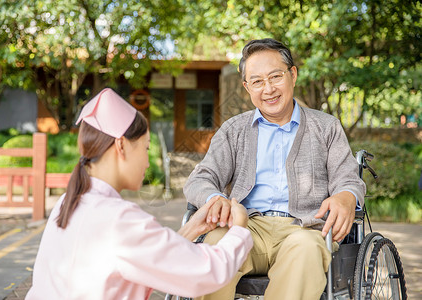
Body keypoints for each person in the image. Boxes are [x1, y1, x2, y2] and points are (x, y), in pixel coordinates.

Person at [26, 88, 253, 300]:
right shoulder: (118, 219)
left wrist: (193, 227)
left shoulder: (70, 201)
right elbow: (206, 273)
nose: (146, 162)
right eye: (145, 148)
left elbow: (146, 259)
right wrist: (239, 228)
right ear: (121, 145)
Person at [184, 38, 366, 300]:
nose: (268, 89)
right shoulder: (234, 130)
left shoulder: (326, 127)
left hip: (303, 229)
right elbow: (201, 178)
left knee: (306, 249)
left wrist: (346, 195)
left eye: (275, 77)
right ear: (247, 87)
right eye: (257, 81)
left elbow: (348, 179)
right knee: (215, 245)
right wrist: (216, 199)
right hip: (246, 227)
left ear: (292, 74)